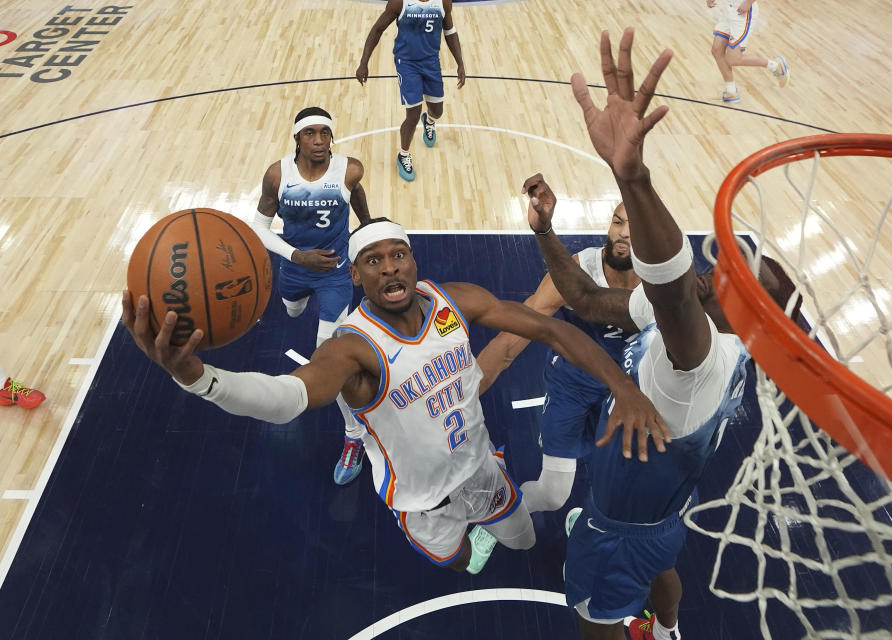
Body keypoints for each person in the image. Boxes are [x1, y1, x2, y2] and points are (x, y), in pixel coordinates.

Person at [121, 217, 668, 574]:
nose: (390, 266)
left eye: (398, 254)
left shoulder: (455, 300)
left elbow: (552, 329)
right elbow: (289, 398)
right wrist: (200, 378)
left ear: (413, 259)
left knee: (523, 541)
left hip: (481, 469)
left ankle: (497, 532)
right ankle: (465, 546)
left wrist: (624, 388)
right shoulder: (351, 349)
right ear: (357, 275)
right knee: (457, 563)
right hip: (422, 501)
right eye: (374, 260)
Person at [524, 29, 801, 640]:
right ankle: (671, 629)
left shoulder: (696, 357)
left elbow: (673, 290)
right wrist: (546, 232)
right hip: (665, 516)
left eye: (723, 276)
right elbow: (589, 300)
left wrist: (633, 177)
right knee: (663, 570)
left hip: (615, 532)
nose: (707, 270)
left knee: (595, 623)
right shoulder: (709, 341)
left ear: (748, 313)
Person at [469, 204, 643, 571]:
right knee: (552, 494)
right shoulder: (576, 273)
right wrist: (463, 396)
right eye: (617, 221)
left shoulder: (663, 284)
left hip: (627, 397)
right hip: (572, 390)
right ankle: (500, 516)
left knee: (620, 495)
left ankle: (586, 533)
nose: (623, 232)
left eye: (635, 226)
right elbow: (511, 339)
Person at [250, 106, 372, 486]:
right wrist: (296, 256)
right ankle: (297, 300)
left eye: (325, 133)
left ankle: (355, 437)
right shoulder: (278, 174)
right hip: (295, 268)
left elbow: (357, 197)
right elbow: (259, 228)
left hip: (335, 273)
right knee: (291, 310)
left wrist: (368, 229)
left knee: (328, 353)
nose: (319, 141)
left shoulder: (348, 170)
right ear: (297, 139)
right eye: (310, 134)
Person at [355, 0, 466, 182]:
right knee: (413, 113)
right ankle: (403, 154)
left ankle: (429, 121)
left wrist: (460, 62)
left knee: (437, 111)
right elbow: (377, 29)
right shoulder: (400, 2)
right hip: (406, 63)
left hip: (431, 62)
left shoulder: (443, 2)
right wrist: (363, 62)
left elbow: (449, 31)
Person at [707, 0, 788, 103]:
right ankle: (731, 91)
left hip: (744, 13)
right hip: (730, 10)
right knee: (717, 50)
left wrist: (748, 2)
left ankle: (775, 66)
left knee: (734, 59)